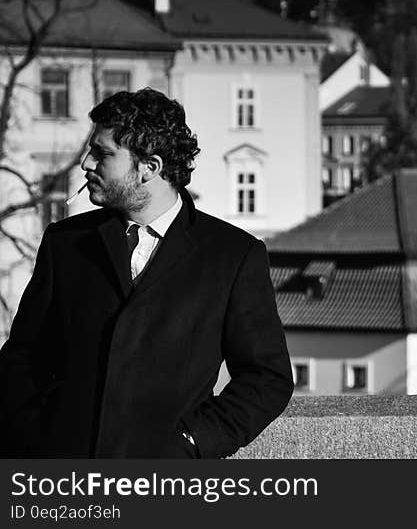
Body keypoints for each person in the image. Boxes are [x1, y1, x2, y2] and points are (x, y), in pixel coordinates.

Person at [0, 88, 293, 458]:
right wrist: (34, 435)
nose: (87, 163)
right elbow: (22, 356)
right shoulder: (66, 243)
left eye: (103, 153)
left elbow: (267, 379)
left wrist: (192, 441)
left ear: (149, 168)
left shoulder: (232, 255)